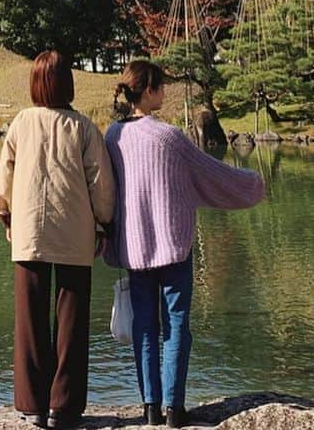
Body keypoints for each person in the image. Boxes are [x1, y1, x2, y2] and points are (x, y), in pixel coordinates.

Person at [105, 59, 265, 428]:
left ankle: (150, 409)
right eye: (160, 86)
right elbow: (213, 175)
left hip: (133, 245)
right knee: (176, 325)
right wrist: (254, 183)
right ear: (148, 91)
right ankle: (176, 411)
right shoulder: (169, 137)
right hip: (174, 245)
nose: (164, 92)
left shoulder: (112, 136)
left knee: (144, 325)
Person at [0, 50, 115, 430]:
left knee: (29, 320)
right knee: (72, 321)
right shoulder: (84, 128)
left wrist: (5, 214)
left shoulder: (21, 123)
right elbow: (101, 185)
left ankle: (33, 405)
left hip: (29, 231)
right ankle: (64, 407)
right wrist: (103, 223)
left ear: (35, 83)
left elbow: (4, 180)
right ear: (68, 84)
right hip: (74, 232)